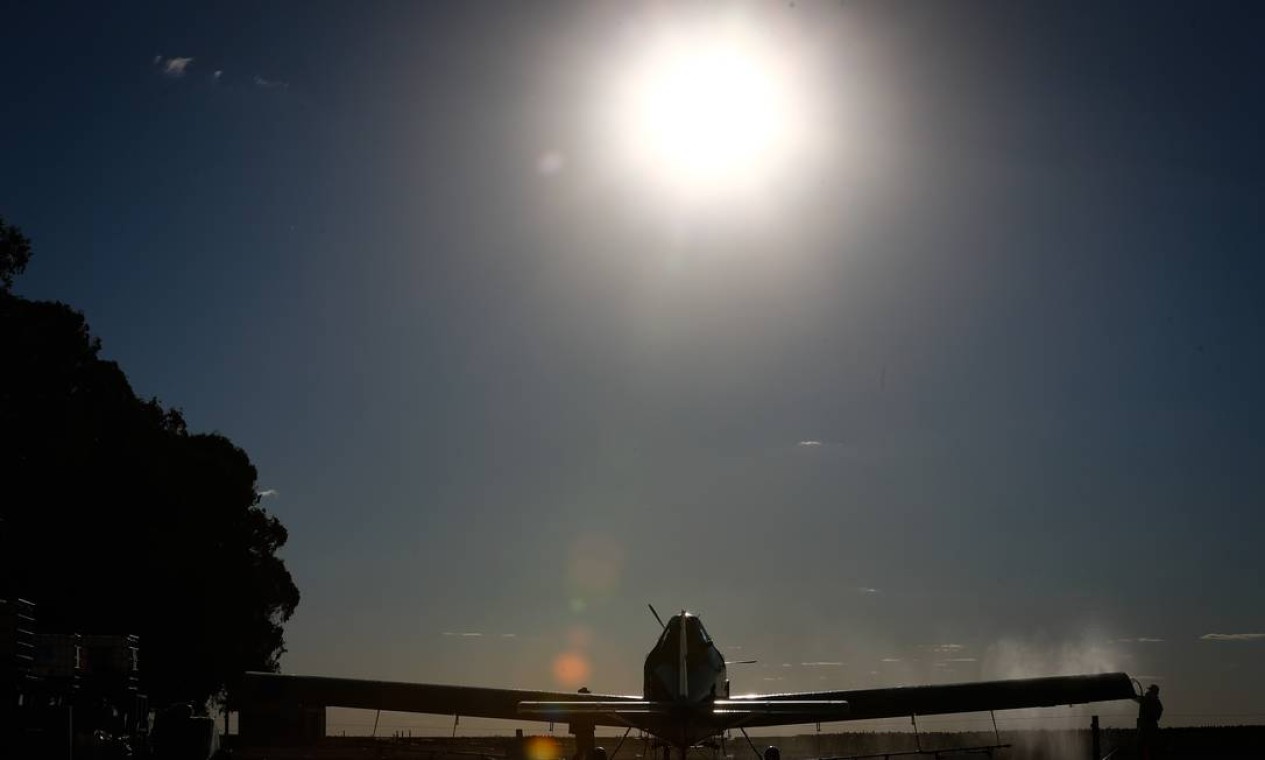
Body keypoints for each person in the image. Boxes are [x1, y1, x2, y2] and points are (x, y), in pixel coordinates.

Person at [1135, 683, 1163, 758]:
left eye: (1150, 691)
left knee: (1144, 748)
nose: (1149, 692)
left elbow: (1137, 698)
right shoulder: (1156, 702)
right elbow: (1158, 715)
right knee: (1149, 749)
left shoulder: (1147, 700)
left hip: (1146, 728)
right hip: (1151, 728)